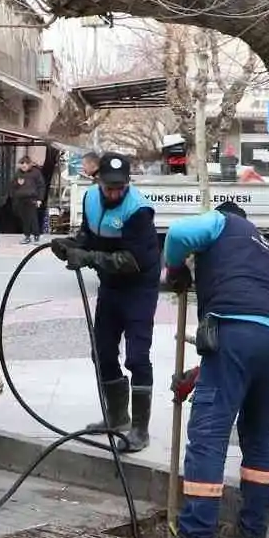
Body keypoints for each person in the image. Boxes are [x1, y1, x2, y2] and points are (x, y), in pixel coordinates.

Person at [140, 200, 269, 538]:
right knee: (259, 434)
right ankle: (253, 530)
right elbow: (242, 356)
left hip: (237, 327)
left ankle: (195, 534)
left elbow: (179, 233)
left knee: (208, 433)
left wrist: (175, 266)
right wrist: (199, 377)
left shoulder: (222, 221)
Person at [51, 153, 159, 451]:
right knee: (103, 353)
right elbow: (88, 237)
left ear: (128, 183)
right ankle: (116, 418)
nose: (114, 193)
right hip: (111, 286)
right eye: (109, 187)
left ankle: (140, 430)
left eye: (120, 187)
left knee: (137, 357)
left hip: (138, 288)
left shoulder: (138, 210)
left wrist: (89, 258)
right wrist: (70, 246)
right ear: (97, 180)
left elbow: (132, 260)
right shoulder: (90, 199)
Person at [10, 156, 46, 244]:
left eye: (25, 164)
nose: (23, 166)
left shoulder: (36, 173)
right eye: (22, 164)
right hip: (21, 199)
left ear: (29, 164)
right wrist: (17, 184)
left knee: (33, 217)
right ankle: (27, 236)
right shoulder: (18, 173)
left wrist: (39, 199)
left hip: (32, 198)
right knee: (24, 218)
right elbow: (12, 186)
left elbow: (41, 186)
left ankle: (36, 236)